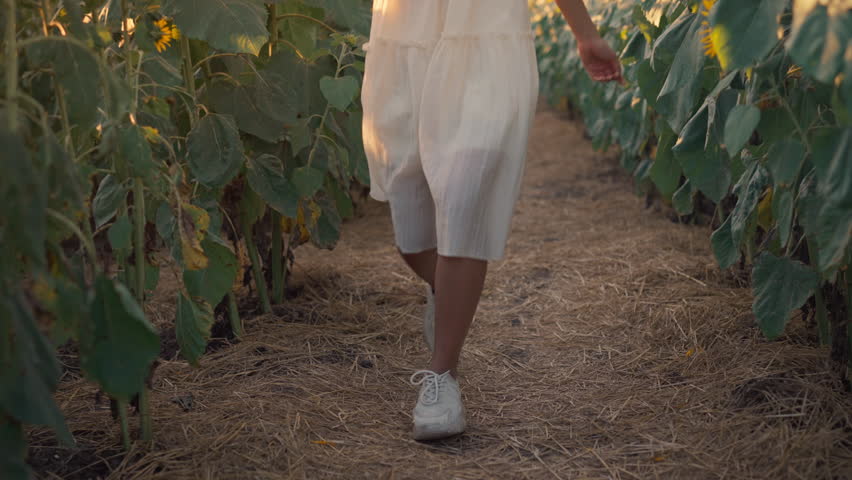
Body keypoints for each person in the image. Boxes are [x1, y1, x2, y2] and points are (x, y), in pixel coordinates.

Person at [360, 0, 622, 441]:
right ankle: (447, 293)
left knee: (466, 197)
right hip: (406, 34)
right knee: (412, 234)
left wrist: (586, 33)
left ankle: (442, 377)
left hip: (487, 39)